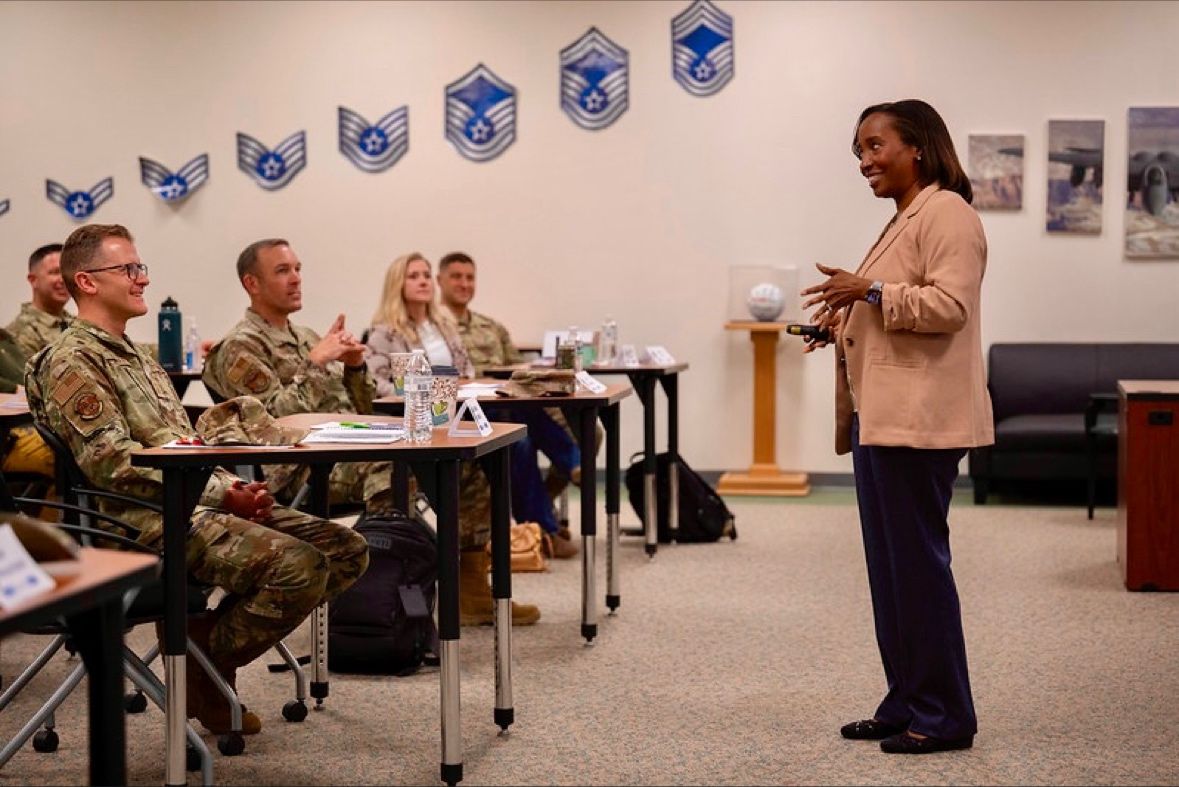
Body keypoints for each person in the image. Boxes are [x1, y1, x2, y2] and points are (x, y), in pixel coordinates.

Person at [25, 224, 369, 737]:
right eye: (128, 269)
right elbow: (113, 464)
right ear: (88, 282)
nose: (142, 279)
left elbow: (184, 441)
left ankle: (198, 645)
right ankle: (201, 662)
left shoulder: (139, 356)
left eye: (140, 267)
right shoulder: (72, 360)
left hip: (194, 501)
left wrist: (233, 486)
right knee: (299, 567)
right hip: (136, 522)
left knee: (345, 549)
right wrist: (220, 491)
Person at [799, 100, 993, 755]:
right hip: (879, 419)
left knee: (916, 569)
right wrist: (841, 325)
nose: (864, 161)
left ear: (916, 146)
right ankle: (906, 697)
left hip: (918, 423)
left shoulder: (947, 213)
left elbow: (949, 306)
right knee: (889, 571)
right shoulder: (902, 219)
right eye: (857, 150)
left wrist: (869, 294)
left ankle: (944, 715)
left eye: (874, 145)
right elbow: (886, 304)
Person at [366, 252, 541, 625]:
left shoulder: (443, 325)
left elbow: (467, 371)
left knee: (487, 468)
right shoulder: (384, 332)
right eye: (414, 275)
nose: (424, 281)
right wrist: (422, 392)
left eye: (427, 275)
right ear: (398, 284)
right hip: (411, 430)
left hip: (453, 421)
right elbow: (376, 386)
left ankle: (473, 592)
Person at [202, 239, 394, 517]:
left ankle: (439, 556)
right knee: (391, 466)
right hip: (301, 466)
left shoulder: (306, 337)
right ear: (252, 284)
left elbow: (364, 410)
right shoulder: (239, 347)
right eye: (282, 271)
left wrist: (354, 366)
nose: (296, 279)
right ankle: (388, 554)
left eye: (297, 269)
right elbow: (273, 419)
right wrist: (316, 362)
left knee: (440, 460)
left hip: (347, 447)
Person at [435, 250, 581, 559]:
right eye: (456, 277)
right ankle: (548, 520)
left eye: (470, 277)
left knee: (525, 429)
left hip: (503, 408)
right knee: (517, 435)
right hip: (461, 416)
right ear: (440, 281)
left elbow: (524, 380)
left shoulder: (492, 328)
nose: (464, 283)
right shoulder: (431, 328)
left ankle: (542, 525)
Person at [6, 243, 73, 357]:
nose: (63, 279)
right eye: (55, 272)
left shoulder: (75, 323)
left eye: (66, 272)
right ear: (33, 280)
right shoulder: (19, 334)